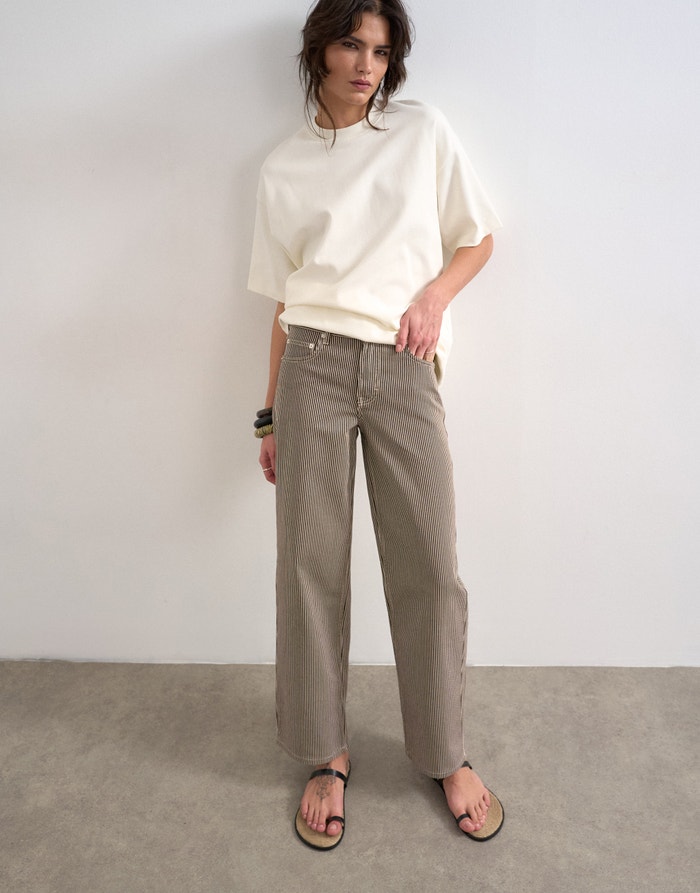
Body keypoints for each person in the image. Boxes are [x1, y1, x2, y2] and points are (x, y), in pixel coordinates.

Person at [248, 0, 504, 851]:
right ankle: (325, 753)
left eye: (383, 51)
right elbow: (282, 304)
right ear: (319, 51)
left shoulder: (420, 131)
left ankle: (444, 751)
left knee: (430, 564)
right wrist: (268, 413)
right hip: (313, 365)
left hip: (403, 361)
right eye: (352, 45)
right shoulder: (283, 167)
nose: (367, 64)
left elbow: (478, 238)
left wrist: (433, 299)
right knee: (309, 566)